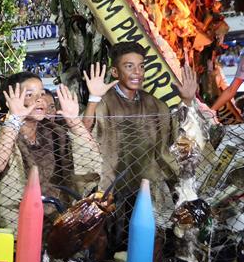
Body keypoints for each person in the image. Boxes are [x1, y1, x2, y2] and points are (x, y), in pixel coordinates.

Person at [82, 42, 198, 245]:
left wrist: (187, 102)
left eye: (141, 66)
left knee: (148, 246)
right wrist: (93, 99)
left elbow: (179, 138)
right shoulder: (105, 101)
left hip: (148, 189)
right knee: (110, 248)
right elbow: (83, 134)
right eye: (129, 66)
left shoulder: (155, 104)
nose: (137, 72)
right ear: (115, 71)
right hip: (110, 189)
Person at [0, 72, 101, 234]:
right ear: (11, 100)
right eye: (29, 94)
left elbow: (91, 155)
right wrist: (14, 118)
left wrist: (74, 121)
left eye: (41, 94)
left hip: (57, 218)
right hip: (17, 220)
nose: (39, 99)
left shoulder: (54, 132)